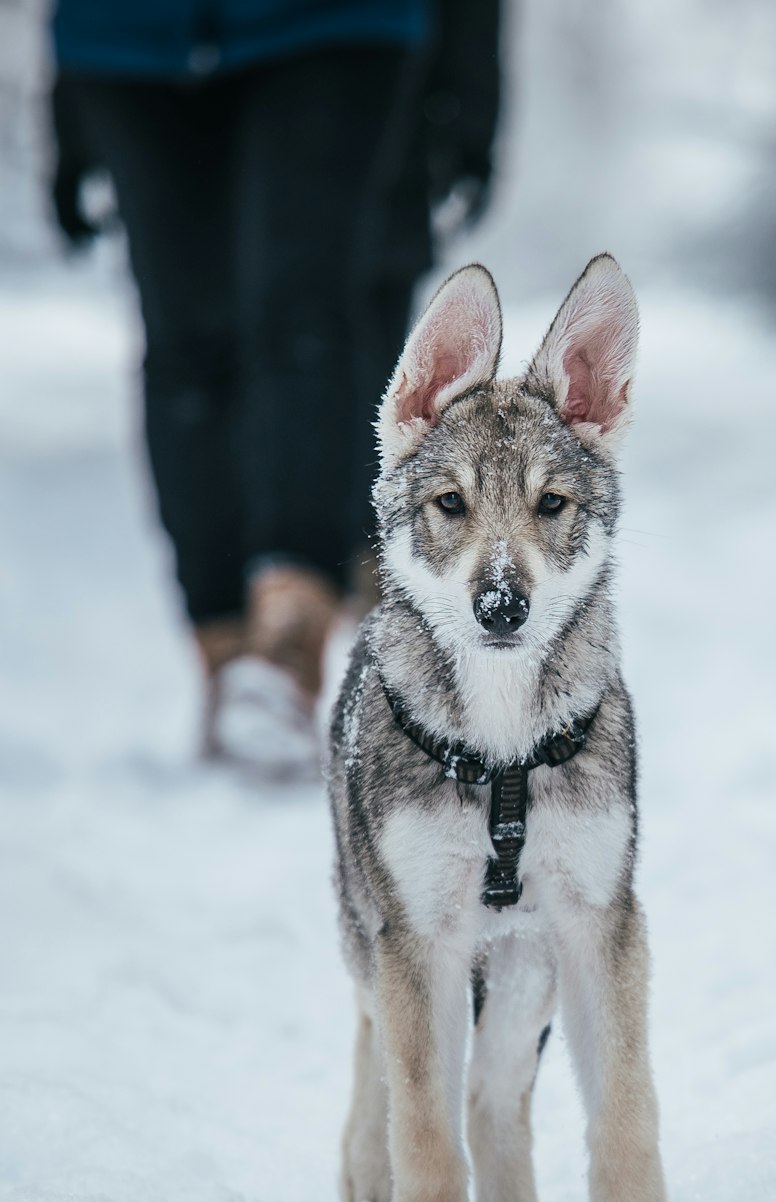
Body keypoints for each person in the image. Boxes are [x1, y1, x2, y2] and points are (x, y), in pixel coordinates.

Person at [48, 0, 501, 777]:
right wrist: (63, 88)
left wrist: (471, 74)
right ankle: (225, 649)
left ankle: (288, 637)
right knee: (183, 341)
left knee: (305, 315)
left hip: (328, 26)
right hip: (124, 36)